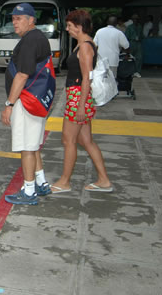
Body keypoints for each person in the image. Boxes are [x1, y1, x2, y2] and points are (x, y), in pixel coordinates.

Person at [50, 10, 113, 194]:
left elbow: (87, 78)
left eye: (69, 26)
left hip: (79, 96)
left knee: (68, 139)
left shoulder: (85, 46)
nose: (67, 29)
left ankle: (64, 181)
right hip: (80, 96)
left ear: (78, 26)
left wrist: (80, 106)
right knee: (86, 141)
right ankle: (104, 180)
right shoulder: (85, 44)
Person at [1, 3, 52, 205]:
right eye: (13, 18)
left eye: (19, 18)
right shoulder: (38, 37)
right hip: (36, 100)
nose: (15, 22)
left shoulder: (30, 41)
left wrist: (9, 104)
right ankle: (41, 182)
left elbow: (22, 75)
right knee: (33, 144)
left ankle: (29, 191)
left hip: (26, 101)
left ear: (32, 20)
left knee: (26, 148)